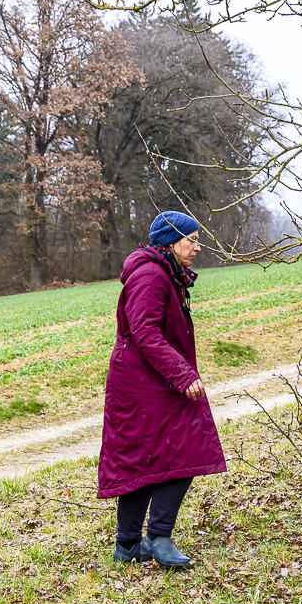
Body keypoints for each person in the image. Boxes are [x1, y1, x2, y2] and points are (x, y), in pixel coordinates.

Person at [98, 211, 227, 569]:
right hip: (143, 382)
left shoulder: (164, 272)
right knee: (186, 449)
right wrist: (182, 374)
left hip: (148, 378)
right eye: (191, 240)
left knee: (147, 458)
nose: (197, 247)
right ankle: (157, 536)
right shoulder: (151, 276)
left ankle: (128, 545)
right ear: (170, 242)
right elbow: (145, 333)